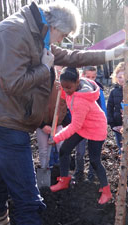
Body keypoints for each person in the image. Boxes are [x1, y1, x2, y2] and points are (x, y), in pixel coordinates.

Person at [0, 2, 128, 225]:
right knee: (28, 199)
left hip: (9, 119)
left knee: (1, 179)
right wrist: (44, 68)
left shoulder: (36, 33)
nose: (61, 41)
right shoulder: (13, 32)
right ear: (53, 26)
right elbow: (11, 83)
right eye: (63, 35)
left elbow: (70, 56)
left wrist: (110, 54)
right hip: (5, 123)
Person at [49, 67, 112, 204]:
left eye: (69, 87)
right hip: (84, 125)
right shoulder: (75, 88)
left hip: (96, 127)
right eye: (64, 87)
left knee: (95, 161)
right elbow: (68, 97)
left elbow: (74, 126)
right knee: (64, 150)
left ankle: (106, 191)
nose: (66, 90)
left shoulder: (81, 100)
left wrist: (56, 138)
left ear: (77, 82)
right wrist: (63, 91)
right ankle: (64, 180)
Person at [107, 62, 128, 186]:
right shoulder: (113, 92)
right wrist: (113, 125)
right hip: (117, 128)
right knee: (123, 152)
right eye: (120, 77)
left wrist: (127, 124)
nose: (122, 79)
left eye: (125, 76)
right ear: (116, 78)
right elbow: (109, 109)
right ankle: (124, 177)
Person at [74, 66, 107, 183]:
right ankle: (79, 172)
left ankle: (91, 175)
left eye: (93, 77)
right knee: (80, 151)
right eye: (88, 77)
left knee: (93, 153)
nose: (91, 79)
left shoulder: (98, 90)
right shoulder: (77, 90)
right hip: (81, 126)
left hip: (94, 127)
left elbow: (103, 109)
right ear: (82, 76)